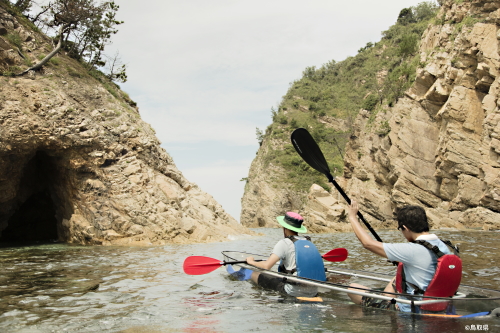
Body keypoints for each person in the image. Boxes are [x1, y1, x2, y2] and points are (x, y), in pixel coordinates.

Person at [347, 200, 457, 313]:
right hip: (438, 305)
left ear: (406, 228)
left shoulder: (412, 250)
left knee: (353, 288)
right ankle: (386, 298)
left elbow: (368, 243)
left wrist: (352, 217)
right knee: (397, 275)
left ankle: (372, 313)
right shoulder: (443, 246)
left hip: (409, 310)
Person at [245, 212, 326, 297]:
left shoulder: (284, 243)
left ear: (285, 228)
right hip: (313, 292)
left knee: (254, 273)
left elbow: (266, 266)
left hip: (292, 292)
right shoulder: (307, 242)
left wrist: (251, 262)